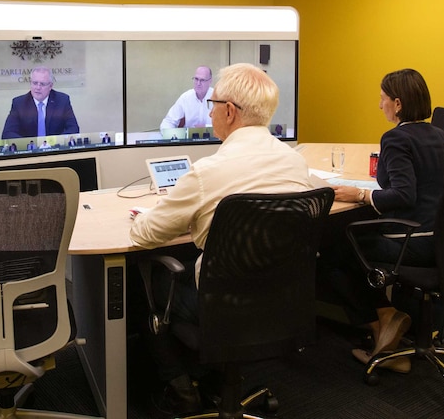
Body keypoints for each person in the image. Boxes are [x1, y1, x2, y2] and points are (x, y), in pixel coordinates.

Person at [130, 63, 315, 416]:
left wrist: (164, 217)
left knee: (144, 279)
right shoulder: (295, 164)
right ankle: (217, 376)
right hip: (280, 299)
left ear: (229, 112)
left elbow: (145, 235)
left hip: (219, 304)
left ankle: (179, 387)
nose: (210, 110)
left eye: (213, 103)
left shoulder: (208, 172)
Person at [324, 68, 444, 371]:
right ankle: (389, 320)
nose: (378, 105)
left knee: (332, 250)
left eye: (382, 99)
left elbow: (404, 195)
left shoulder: (396, 138)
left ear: (397, 103)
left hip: (411, 241)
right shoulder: (439, 135)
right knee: (348, 241)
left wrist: (361, 196)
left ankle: (383, 318)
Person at [1, 66, 79, 139]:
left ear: (50, 86)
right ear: (30, 83)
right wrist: (30, 145)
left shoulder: (62, 100)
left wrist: (54, 143)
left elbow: (73, 129)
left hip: (55, 150)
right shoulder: (19, 103)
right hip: (29, 151)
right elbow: (8, 133)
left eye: (42, 84)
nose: (38, 88)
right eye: (35, 83)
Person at [160, 66, 214, 131]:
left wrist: (206, 127)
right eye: (196, 79)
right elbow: (168, 121)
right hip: (189, 139)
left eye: (202, 80)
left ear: (210, 81)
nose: (198, 83)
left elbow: (226, 126)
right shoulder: (186, 97)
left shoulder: (218, 98)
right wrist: (171, 134)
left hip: (215, 139)